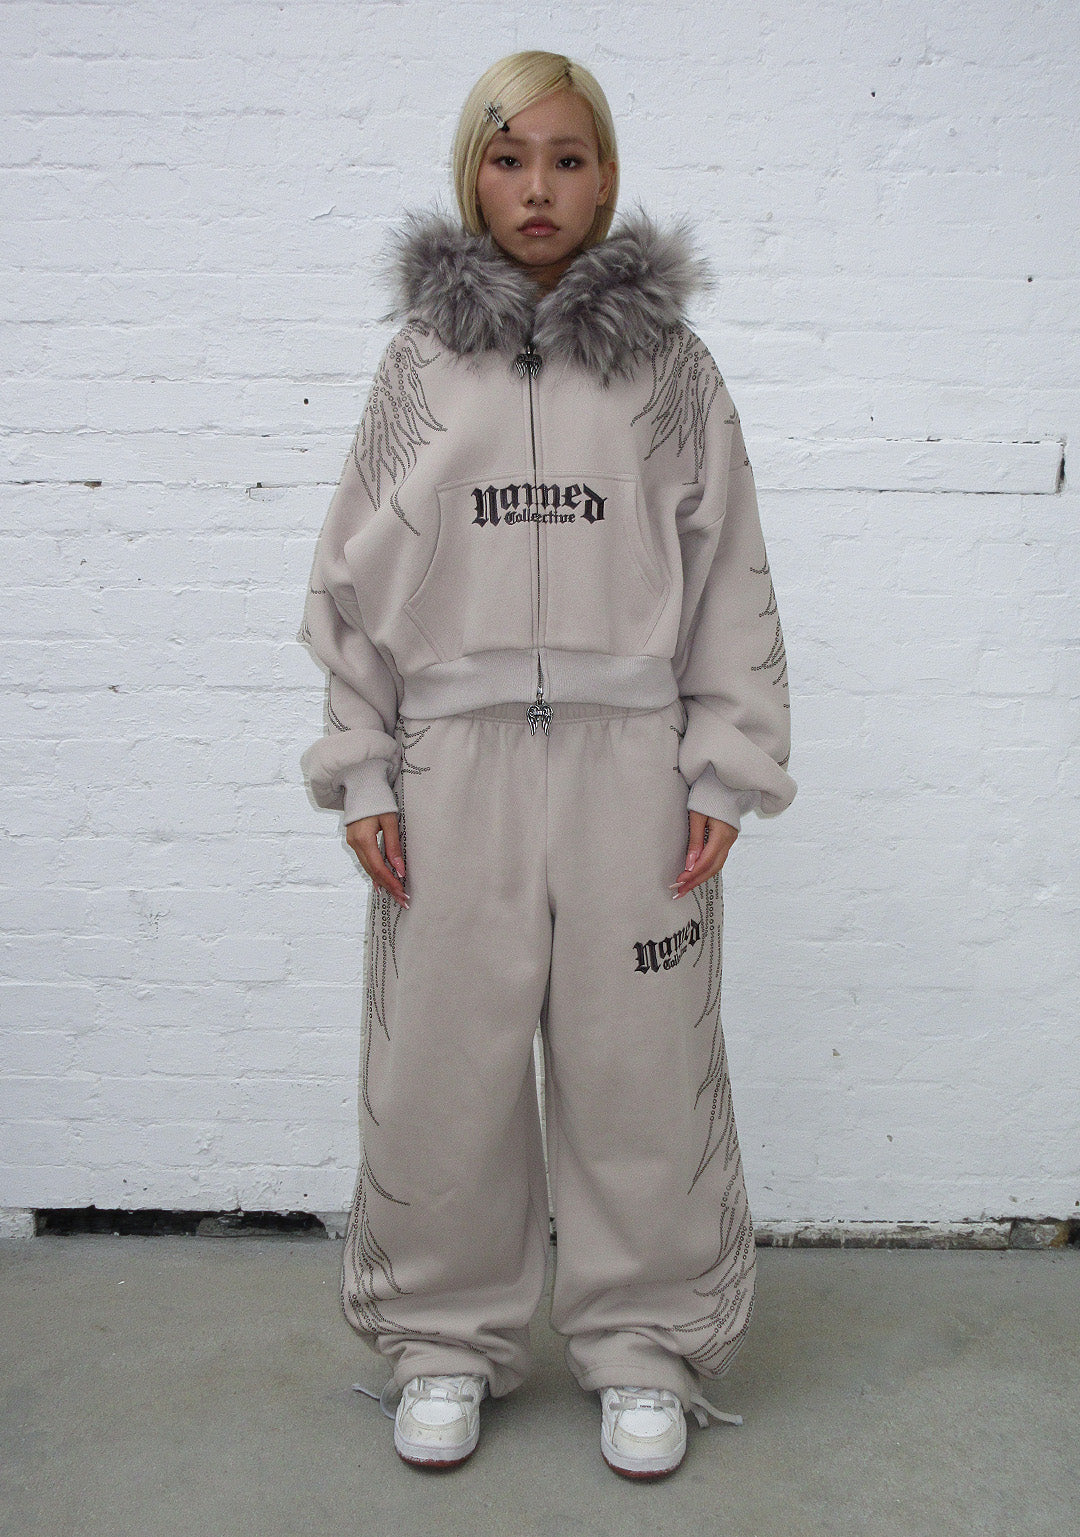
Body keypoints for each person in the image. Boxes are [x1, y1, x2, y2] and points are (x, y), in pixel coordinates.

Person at [298, 49, 796, 1480]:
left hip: (629, 765)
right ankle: (442, 1339)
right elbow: (350, 575)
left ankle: (644, 1342)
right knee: (442, 1063)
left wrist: (724, 766)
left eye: (568, 160)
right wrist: (365, 765)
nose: (538, 188)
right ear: (474, 175)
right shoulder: (418, 365)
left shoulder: (671, 368)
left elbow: (730, 571)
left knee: (639, 1061)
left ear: (606, 178)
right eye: (510, 159)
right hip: (449, 768)